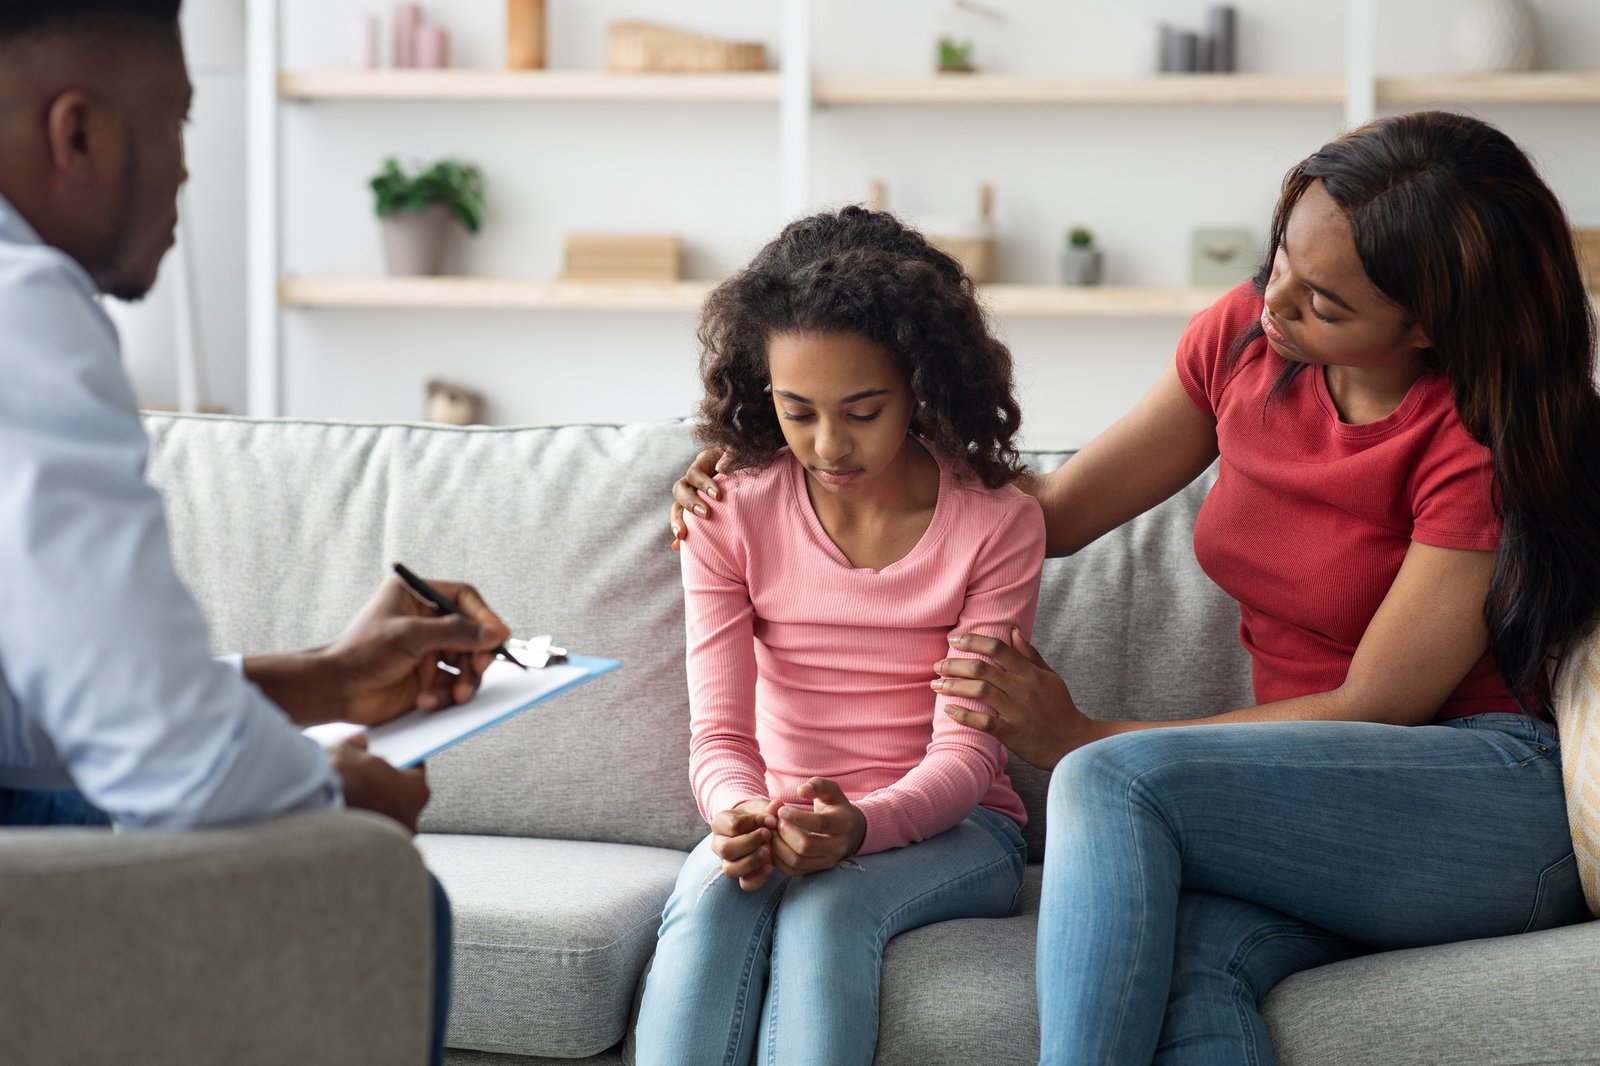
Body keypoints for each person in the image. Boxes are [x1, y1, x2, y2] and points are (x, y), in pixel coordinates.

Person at [672, 111, 1600, 1064]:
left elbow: (1381, 703)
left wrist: (1084, 739)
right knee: (1186, 986)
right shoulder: (1244, 340)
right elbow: (1052, 513)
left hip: (1475, 803)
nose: (1274, 303)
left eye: (1323, 302)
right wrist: (764, 469)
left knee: (1111, 780)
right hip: (1298, 812)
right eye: (1278, 260)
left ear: (1430, 326)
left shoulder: (1474, 440)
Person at [0, 4, 514, 1062]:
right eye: (180, 125)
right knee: (373, 891)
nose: (190, 174)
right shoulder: (24, 307)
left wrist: (329, 676)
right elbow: (166, 759)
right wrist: (337, 790)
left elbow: (39, 713)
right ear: (78, 132)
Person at [635, 206, 1043, 1065]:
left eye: (863, 410)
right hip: (781, 815)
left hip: (959, 831)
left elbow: (968, 762)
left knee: (829, 905)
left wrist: (860, 826)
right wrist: (738, 813)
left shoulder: (995, 524)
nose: (828, 445)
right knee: (711, 898)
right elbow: (719, 736)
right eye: (797, 411)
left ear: (921, 385)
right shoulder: (727, 513)